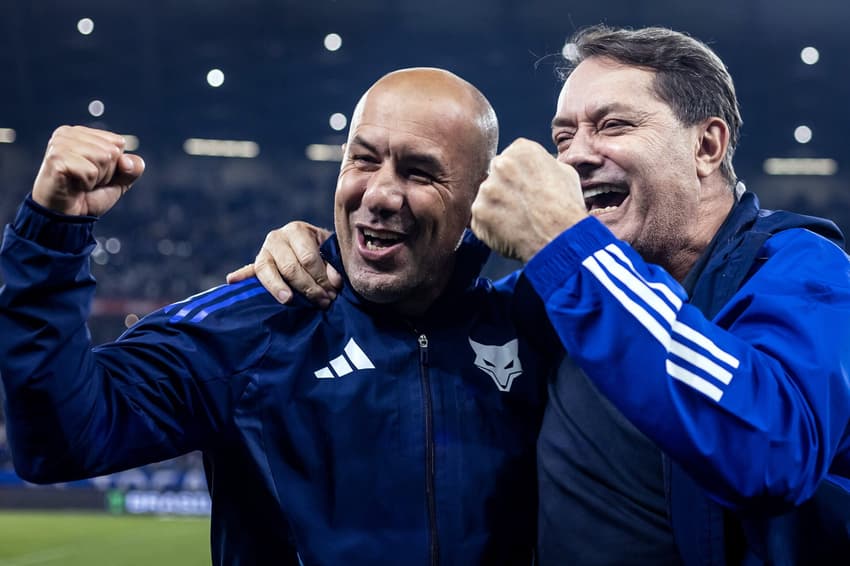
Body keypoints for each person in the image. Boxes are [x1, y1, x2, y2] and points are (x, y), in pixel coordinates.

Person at [233, 25, 850, 564]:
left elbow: (772, 453)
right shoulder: (548, 296)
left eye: (612, 125)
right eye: (562, 137)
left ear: (707, 145)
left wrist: (568, 249)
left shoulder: (801, 271)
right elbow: (425, 306)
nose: (577, 156)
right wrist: (323, 251)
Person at [0, 68, 558, 565]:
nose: (381, 193)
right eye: (363, 159)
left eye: (419, 172)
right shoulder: (251, 327)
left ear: (480, 198)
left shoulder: (533, 327)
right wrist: (52, 234)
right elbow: (58, 442)